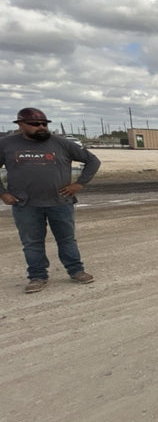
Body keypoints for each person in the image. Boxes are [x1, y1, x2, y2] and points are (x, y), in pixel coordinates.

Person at [0, 108, 101, 293]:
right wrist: (3, 193)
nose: (41, 127)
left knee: (67, 240)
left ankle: (76, 270)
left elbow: (93, 161)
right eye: (35, 124)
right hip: (25, 204)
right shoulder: (6, 144)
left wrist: (79, 184)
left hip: (60, 202)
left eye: (44, 124)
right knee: (32, 242)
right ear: (20, 125)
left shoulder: (62, 144)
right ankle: (37, 276)